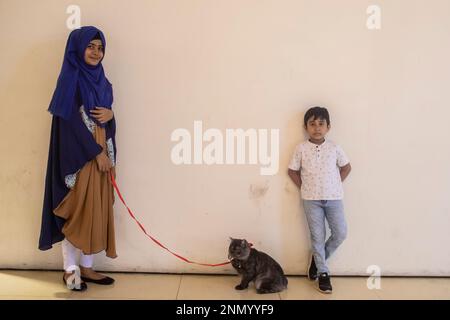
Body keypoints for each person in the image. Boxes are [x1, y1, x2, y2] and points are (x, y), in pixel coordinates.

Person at [39, 26, 117, 291]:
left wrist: (111, 116)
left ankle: (87, 268)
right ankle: (70, 271)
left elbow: (104, 119)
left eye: (100, 47)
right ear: (78, 48)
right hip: (79, 157)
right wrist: (95, 154)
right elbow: (69, 123)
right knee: (77, 214)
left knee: (95, 210)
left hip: (101, 154)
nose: (96, 52)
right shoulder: (70, 79)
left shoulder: (102, 81)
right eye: (90, 46)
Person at [288, 106, 351, 294]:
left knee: (340, 233)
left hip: (334, 198)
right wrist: (304, 187)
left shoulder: (334, 148)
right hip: (311, 200)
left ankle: (317, 260)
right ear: (306, 127)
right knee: (317, 237)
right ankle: (323, 273)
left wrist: (335, 184)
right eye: (312, 124)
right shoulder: (301, 148)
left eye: (321, 124)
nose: (317, 128)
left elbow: (346, 167)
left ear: (328, 127)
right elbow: (292, 171)